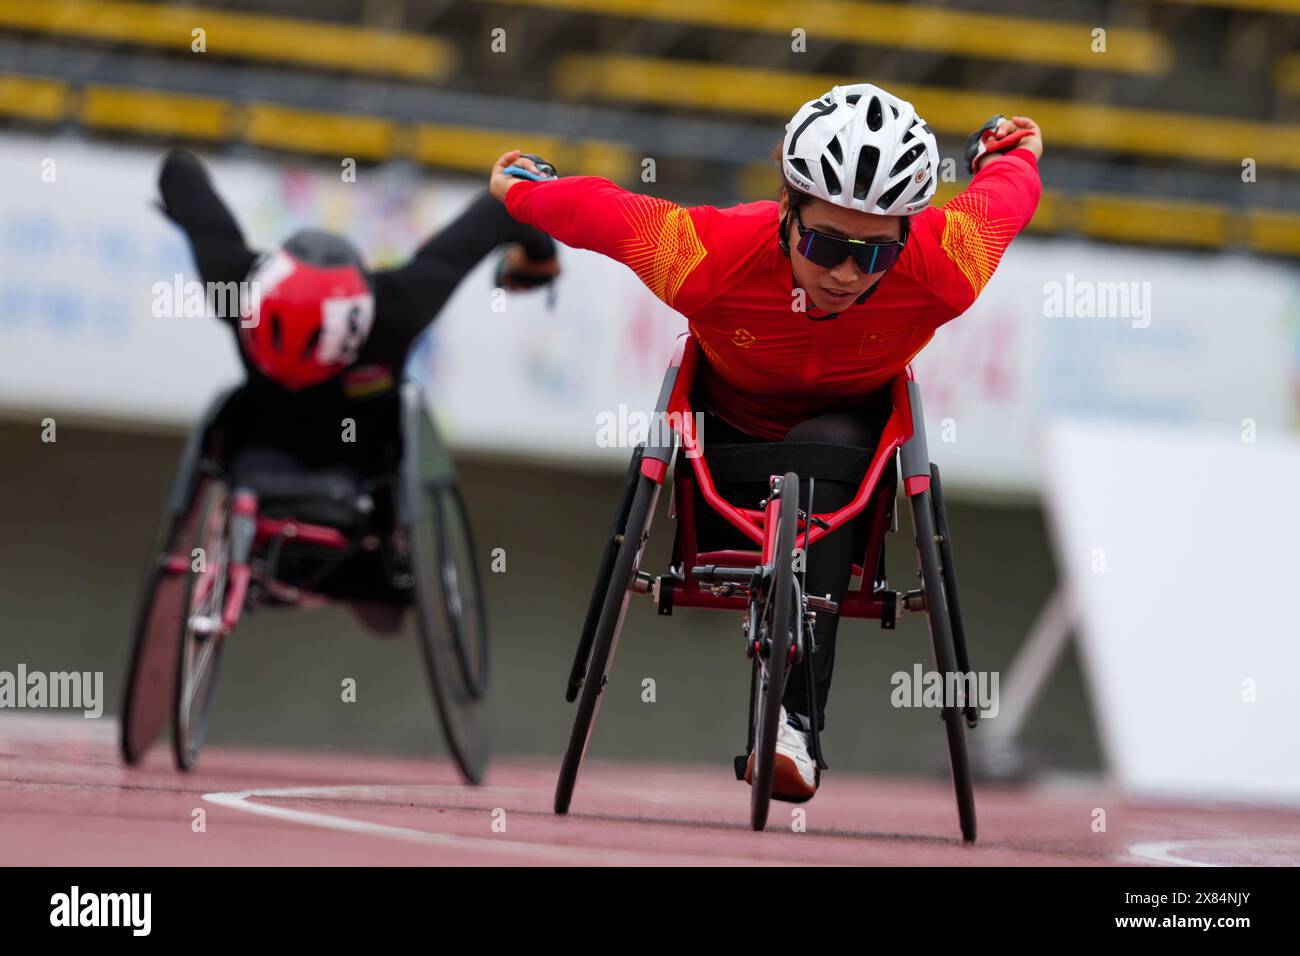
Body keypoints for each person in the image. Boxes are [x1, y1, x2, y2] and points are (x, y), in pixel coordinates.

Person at [491, 83, 1042, 801]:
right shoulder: (707, 254)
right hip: (727, 449)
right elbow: (599, 212)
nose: (847, 274)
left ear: (907, 234)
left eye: (876, 254)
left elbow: (1004, 196)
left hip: (847, 461)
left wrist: (1007, 153)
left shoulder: (947, 265)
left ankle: (793, 726)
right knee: (805, 449)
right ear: (788, 209)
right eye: (826, 244)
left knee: (826, 443)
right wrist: (524, 189)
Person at [157, 148, 559, 622]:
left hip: (280, 463)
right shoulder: (398, 305)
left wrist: (187, 191)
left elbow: (179, 171)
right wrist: (538, 260)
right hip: (356, 473)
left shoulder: (233, 280)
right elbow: (503, 208)